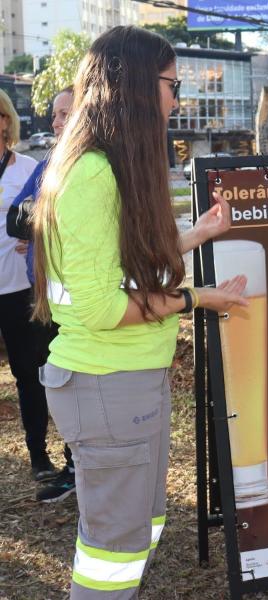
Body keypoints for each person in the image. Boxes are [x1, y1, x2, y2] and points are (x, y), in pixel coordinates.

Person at [32, 26, 247, 599]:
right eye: (172, 85)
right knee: (113, 554)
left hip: (127, 381)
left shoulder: (108, 167)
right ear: (134, 86)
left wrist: (196, 234)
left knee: (138, 533)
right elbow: (104, 306)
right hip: (106, 385)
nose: (176, 100)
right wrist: (198, 299)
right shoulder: (92, 175)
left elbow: (124, 261)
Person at [7, 86, 76, 503]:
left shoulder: (98, 164)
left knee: (72, 380)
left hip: (75, 294)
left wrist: (39, 222)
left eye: (65, 113)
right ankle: (71, 466)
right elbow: (16, 219)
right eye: (54, 115)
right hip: (47, 290)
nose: (55, 122)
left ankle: (77, 465)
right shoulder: (51, 162)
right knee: (54, 375)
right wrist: (42, 223)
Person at [0, 89, 52, 482]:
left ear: (5, 121)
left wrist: (35, 235)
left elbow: (51, 218)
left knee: (29, 374)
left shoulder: (29, 168)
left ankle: (39, 456)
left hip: (18, 288)